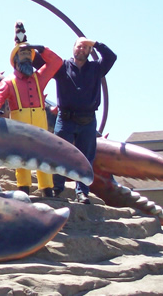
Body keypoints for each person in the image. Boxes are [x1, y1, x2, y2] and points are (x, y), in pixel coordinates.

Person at [0, 21, 62, 197]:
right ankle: (23, 187)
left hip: (39, 120)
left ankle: (46, 188)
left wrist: (42, 49)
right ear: (15, 58)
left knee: (43, 153)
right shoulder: (9, 81)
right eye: (22, 53)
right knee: (20, 154)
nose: (27, 57)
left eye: (28, 53)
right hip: (19, 120)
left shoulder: (40, 77)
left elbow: (57, 62)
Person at [52, 37, 117, 204]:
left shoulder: (96, 68)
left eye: (85, 47)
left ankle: (82, 192)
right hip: (65, 118)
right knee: (59, 152)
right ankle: (57, 187)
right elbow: (39, 61)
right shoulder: (62, 66)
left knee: (86, 157)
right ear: (73, 48)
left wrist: (94, 43)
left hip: (87, 120)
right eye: (79, 46)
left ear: (90, 51)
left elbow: (111, 57)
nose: (81, 49)